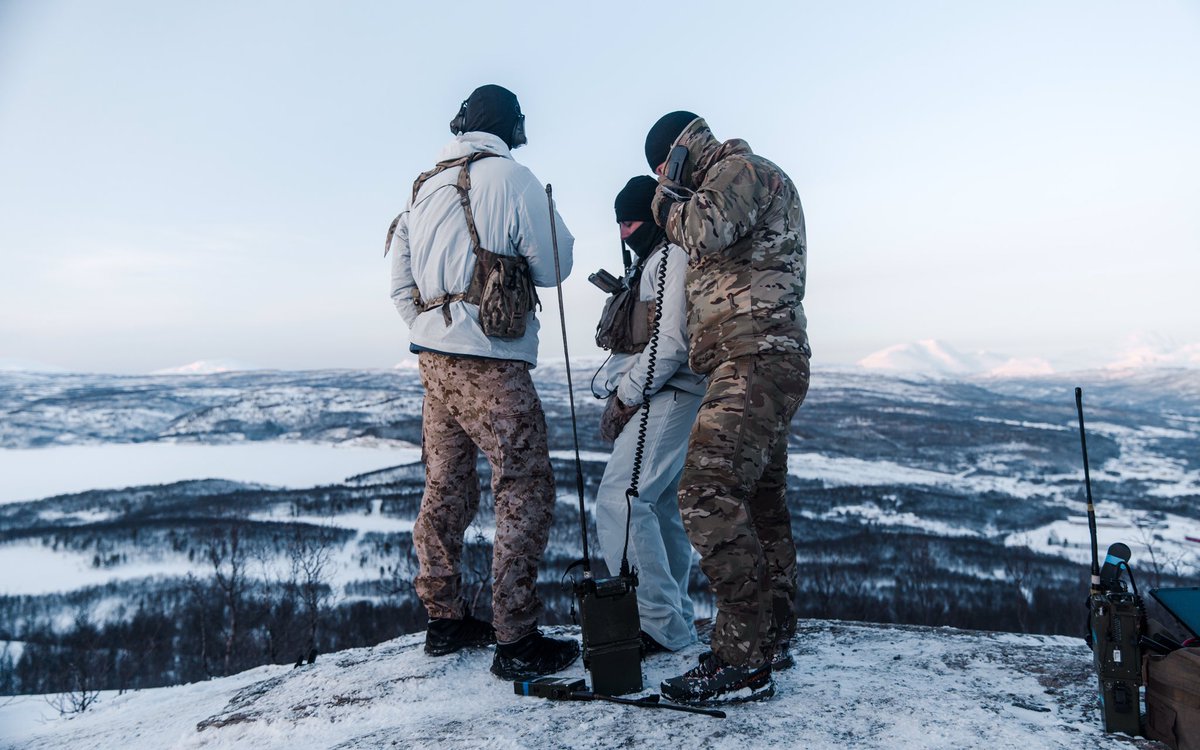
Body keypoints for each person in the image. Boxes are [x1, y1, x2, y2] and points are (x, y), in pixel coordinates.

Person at [387, 84, 579, 681]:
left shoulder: (423, 190)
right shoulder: (511, 177)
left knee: (446, 485)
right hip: (491, 359)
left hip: (433, 360)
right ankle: (515, 637)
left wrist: (428, 327)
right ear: (511, 126)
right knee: (525, 482)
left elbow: (399, 281)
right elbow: (556, 264)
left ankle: (445, 620)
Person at [644, 111, 811, 703]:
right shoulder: (743, 176)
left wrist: (664, 197)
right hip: (758, 358)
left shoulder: (739, 172)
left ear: (679, 153)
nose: (664, 179)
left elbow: (700, 231)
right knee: (761, 502)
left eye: (662, 167)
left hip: (755, 356)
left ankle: (740, 656)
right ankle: (774, 633)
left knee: (705, 491)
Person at [591, 176, 706, 655]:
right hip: (668, 393)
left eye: (631, 221)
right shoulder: (654, 259)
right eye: (619, 222)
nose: (624, 232)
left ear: (654, 218)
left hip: (670, 393)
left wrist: (626, 397)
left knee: (622, 499)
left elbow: (671, 342)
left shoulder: (673, 258)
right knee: (658, 508)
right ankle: (676, 619)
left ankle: (657, 625)